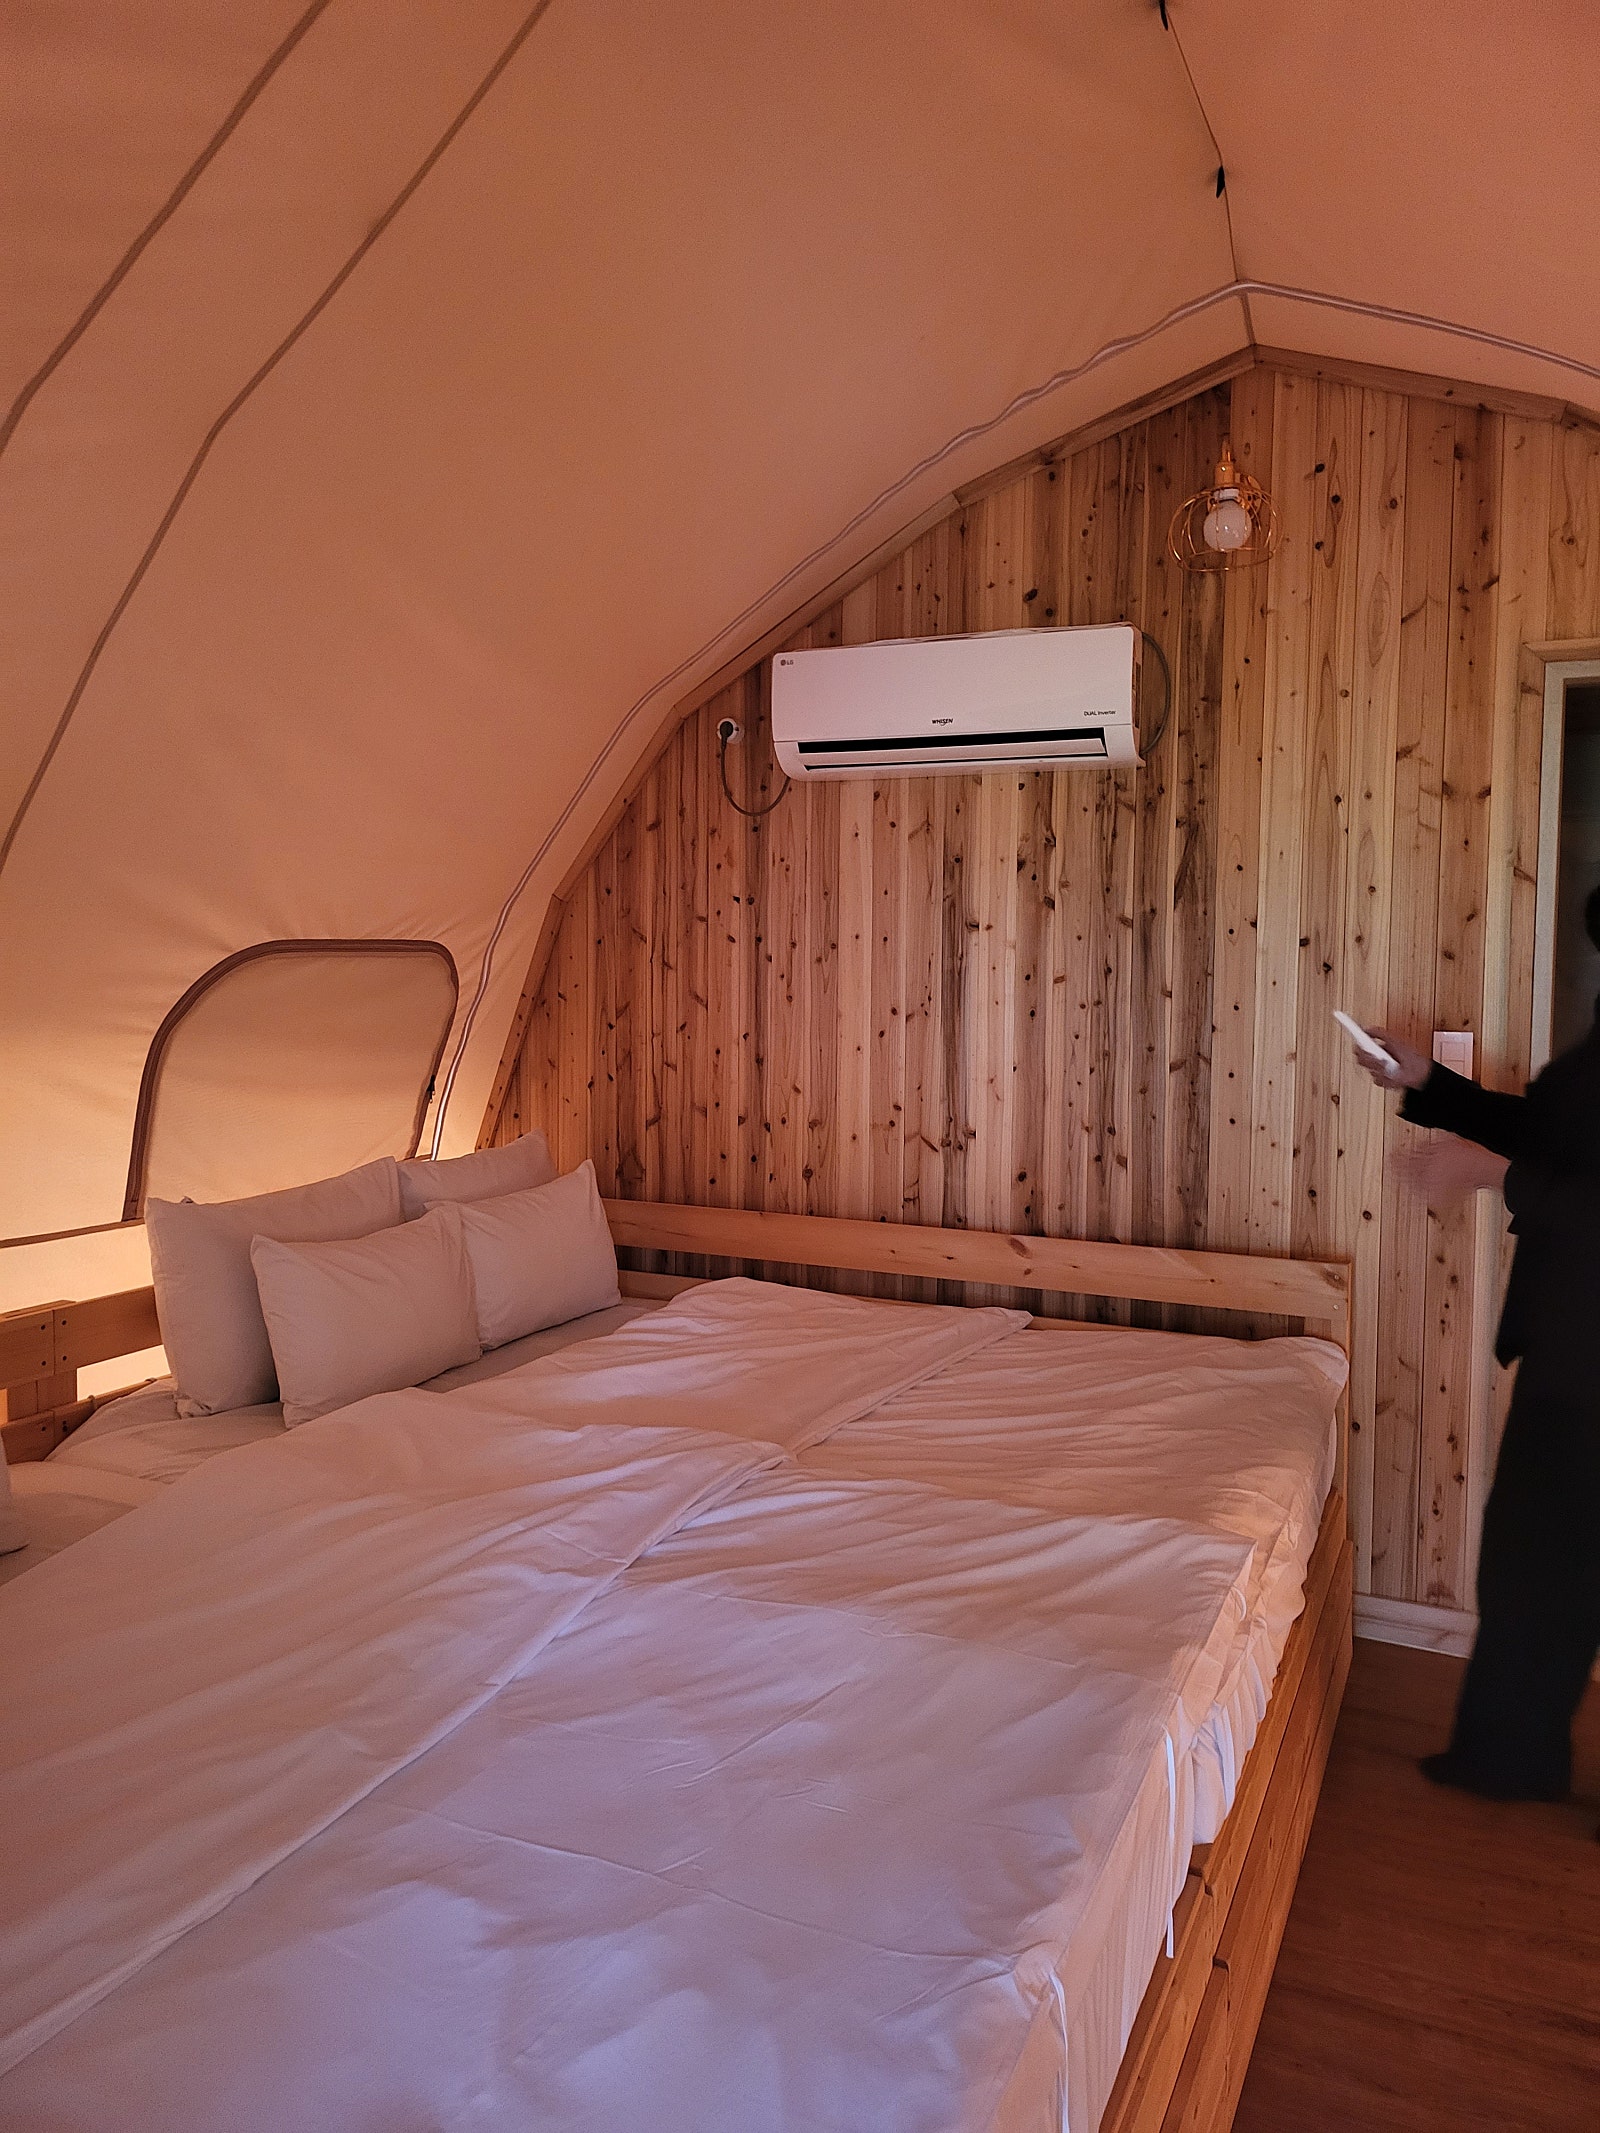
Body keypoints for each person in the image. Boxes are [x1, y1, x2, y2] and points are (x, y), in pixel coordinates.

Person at [1356, 894, 1600, 1805]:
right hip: (1571, 1351)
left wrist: (1489, 1172)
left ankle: (1511, 1757)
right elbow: (1553, 1137)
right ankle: (1509, 1758)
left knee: (1546, 1559)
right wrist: (1428, 1083)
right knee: (1531, 1563)